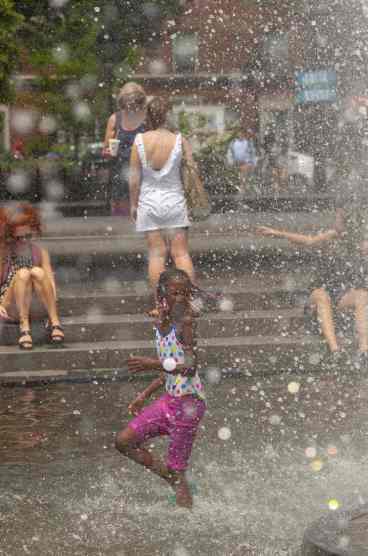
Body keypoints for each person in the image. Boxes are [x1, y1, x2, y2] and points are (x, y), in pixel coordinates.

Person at [115, 268, 206, 509]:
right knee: (124, 441)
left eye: (185, 294)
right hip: (169, 400)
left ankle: (188, 519)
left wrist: (150, 363)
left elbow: (189, 366)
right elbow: (169, 367)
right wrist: (144, 395)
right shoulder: (160, 321)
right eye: (175, 293)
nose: (180, 298)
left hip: (188, 404)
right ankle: (170, 478)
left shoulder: (186, 323)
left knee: (178, 469)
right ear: (162, 293)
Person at [256, 208, 368, 368]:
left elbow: (366, 273)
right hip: (321, 291)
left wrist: (363, 252)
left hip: (342, 295)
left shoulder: (360, 243)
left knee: (362, 296)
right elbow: (308, 240)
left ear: (347, 224)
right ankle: (335, 351)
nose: (334, 222)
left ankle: (364, 351)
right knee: (321, 295)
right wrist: (278, 233)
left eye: (338, 219)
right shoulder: (331, 235)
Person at [129, 96, 196, 311]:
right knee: (181, 254)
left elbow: (133, 177)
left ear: (148, 115)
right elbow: (192, 171)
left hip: (148, 202)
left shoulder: (139, 140)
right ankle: (188, 301)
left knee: (157, 254)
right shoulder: (179, 140)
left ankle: (160, 304)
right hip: (175, 200)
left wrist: (133, 204)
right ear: (168, 115)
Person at [0, 204, 63, 349]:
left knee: (38, 272)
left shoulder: (40, 252)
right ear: (11, 236)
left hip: (35, 303)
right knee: (23, 273)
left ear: (34, 232)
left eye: (27, 236)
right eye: (18, 238)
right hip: (11, 305)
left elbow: (50, 283)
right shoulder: (4, 252)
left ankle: (55, 322)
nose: (23, 241)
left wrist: (51, 300)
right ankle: (25, 328)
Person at [103, 82, 148, 216]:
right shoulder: (115, 119)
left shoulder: (147, 118)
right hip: (121, 174)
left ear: (141, 100)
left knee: (145, 214)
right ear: (122, 101)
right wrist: (110, 151)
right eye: (128, 101)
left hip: (145, 175)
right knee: (122, 216)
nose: (132, 105)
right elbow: (106, 150)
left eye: (135, 101)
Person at [226, 129, 257, 194]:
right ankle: (244, 187)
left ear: (244, 134)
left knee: (244, 170)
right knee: (241, 171)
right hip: (236, 163)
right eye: (239, 134)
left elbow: (252, 153)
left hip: (247, 163)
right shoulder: (233, 142)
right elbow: (230, 153)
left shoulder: (248, 143)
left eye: (242, 134)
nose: (241, 135)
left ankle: (243, 187)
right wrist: (231, 162)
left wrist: (253, 163)